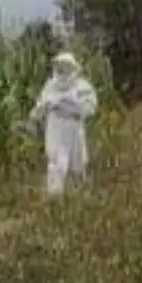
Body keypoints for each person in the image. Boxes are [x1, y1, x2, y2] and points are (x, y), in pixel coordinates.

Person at [30, 51, 99, 197]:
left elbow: (90, 107)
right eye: (59, 67)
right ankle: (55, 199)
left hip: (74, 131)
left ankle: (77, 198)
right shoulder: (50, 86)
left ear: (72, 68)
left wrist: (72, 109)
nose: (61, 70)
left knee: (77, 164)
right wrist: (36, 116)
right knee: (57, 164)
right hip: (55, 131)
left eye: (64, 67)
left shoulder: (82, 86)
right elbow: (40, 107)